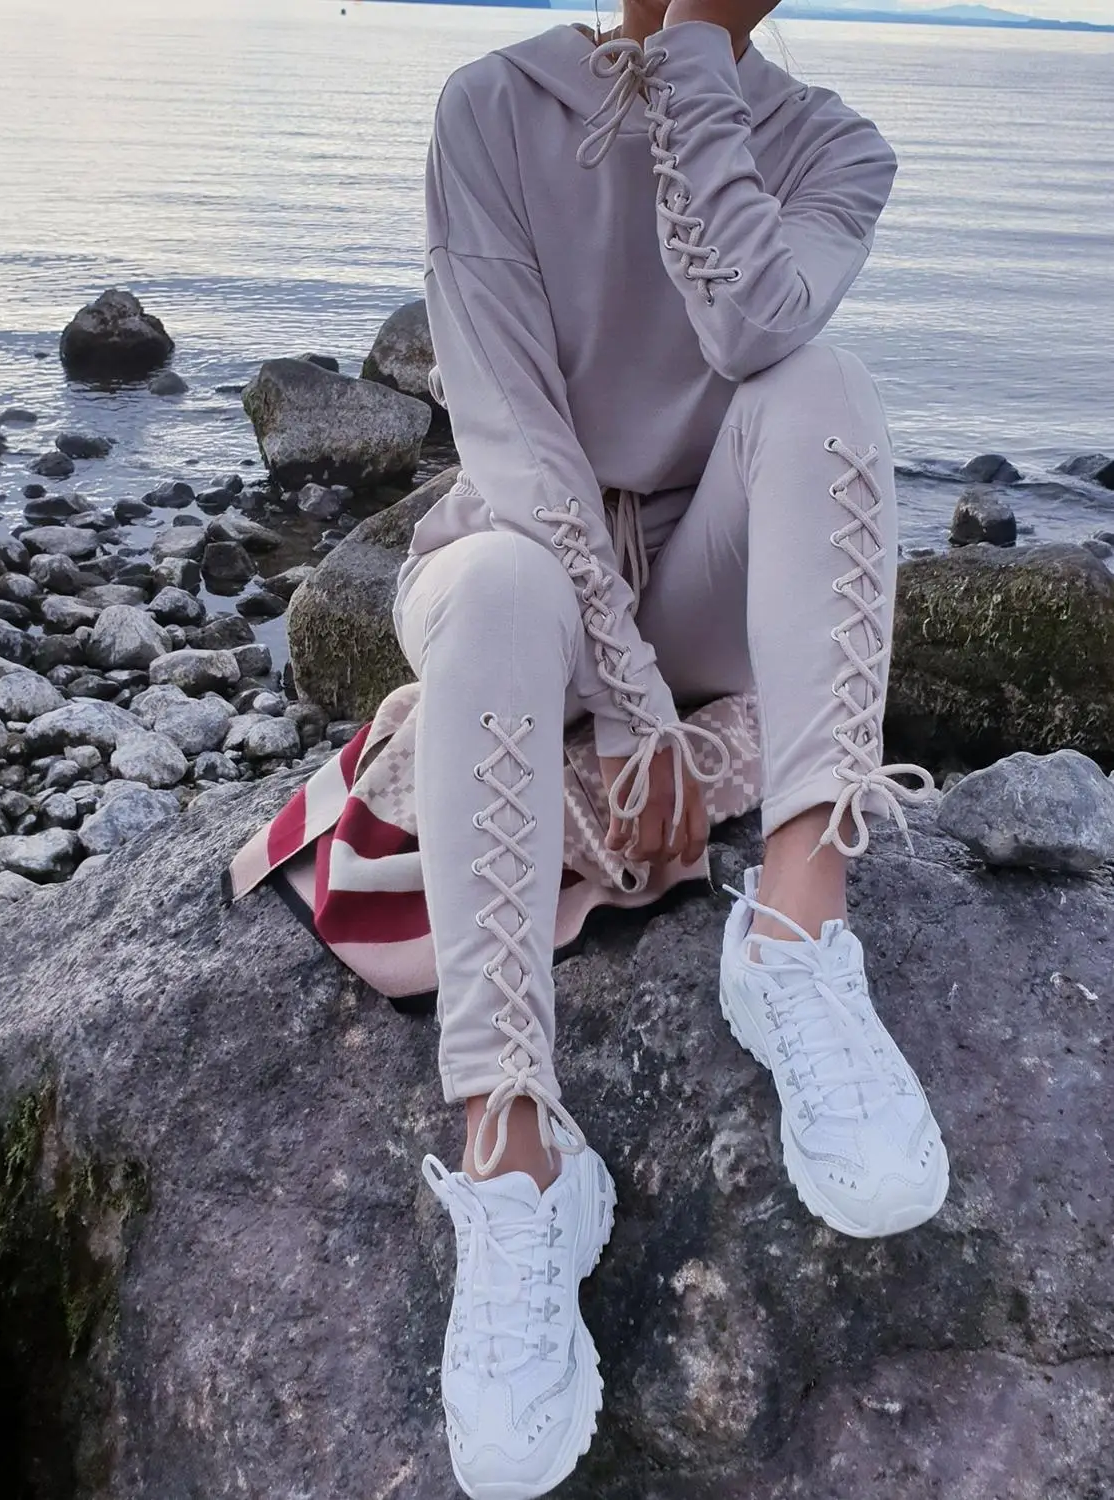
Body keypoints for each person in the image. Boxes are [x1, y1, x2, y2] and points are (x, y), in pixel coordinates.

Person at [397, 0, 950, 1492]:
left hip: (707, 584)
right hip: (529, 570)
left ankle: (794, 929)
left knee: (825, 385)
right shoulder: (492, 107)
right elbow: (510, 433)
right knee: (497, 582)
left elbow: (751, 331)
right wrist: (639, 711)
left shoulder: (833, 147)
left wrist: (695, 59)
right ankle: (516, 1152)